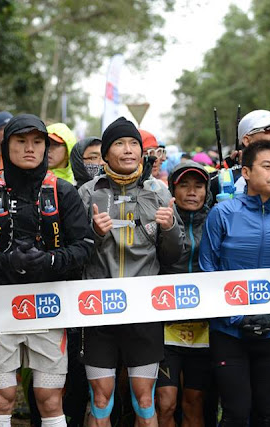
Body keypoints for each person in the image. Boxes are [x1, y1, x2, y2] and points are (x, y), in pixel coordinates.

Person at [0, 113, 92, 427]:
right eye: (21, 141)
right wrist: (6, 261)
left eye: (37, 141)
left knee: (50, 399)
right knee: (1, 398)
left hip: (49, 307)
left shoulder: (63, 191)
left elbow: (85, 245)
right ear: (6, 146)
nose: (30, 148)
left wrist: (49, 261)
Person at [199, 140, 270, 427]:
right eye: (267, 166)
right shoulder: (222, 214)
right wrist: (236, 318)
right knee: (235, 414)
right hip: (229, 332)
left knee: (269, 414)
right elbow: (207, 271)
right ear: (246, 173)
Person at [78, 117, 183, 427]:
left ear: (141, 151)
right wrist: (94, 233)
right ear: (105, 155)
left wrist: (170, 228)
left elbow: (173, 256)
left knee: (145, 400)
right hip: (98, 308)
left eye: (133, 144)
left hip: (144, 310)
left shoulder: (158, 192)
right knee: (101, 400)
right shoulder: (88, 192)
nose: (128, 150)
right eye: (119, 144)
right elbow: (76, 253)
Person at [156, 162, 212, 427]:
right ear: (172, 189)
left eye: (198, 186)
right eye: (184, 186)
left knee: (194, 401)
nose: (191, 192)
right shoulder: (161, 218)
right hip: (164, 322)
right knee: (165, 403)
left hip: (204, 324)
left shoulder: (217, 219)